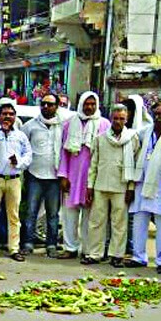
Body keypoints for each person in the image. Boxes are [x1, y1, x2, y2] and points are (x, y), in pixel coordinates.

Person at [85, 104, 139, 267]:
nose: (118, 121)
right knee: (96, 222)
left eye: (122, 118)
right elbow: (93, 164)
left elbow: (135, 165)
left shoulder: (133, 138)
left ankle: (117, 255)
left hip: (121, 187)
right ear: (111, 119)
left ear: (126, 119)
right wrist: (90, 186)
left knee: (119, 223)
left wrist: (131, 188)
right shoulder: (100, 138)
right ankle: (95, 253)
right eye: (115, 118)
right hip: (100, 185)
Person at [58, 91, 110, 259]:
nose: (89, 107)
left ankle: (88, 249)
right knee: (69, 214)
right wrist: (64, 175)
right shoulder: (68, 124)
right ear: (80, 104)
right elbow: (63, 152)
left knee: (91, 216)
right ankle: (70, 247)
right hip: (72, 176)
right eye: (86, 104)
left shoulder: (104, 125)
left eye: (92, 104)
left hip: (92, 178)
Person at [129, 101, 161, 271]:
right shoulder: (144, 132)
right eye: (155, 114)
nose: (158, 117)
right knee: (139, 221)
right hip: (142, 183)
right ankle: (138, 257)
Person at [0, 102, 31, 261]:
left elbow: (28, 155)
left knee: (13, 216)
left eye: (10, 114)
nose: (7, 117)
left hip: (14, 179)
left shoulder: (21, 135)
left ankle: (14, 249)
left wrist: (19, 163)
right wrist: (2, 134)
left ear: (15, 117)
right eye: (4, 114)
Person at [21, 93, 65, 258]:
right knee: (31, 211)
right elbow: (22, 148)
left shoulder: (62, 126)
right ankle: (28, 243)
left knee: (53, 214)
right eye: (44, 104)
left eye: (50, 104)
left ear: (56, 107)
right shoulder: (30, 126)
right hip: (34, 176)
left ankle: (51, 244)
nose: (46, 107)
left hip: (54, 177)